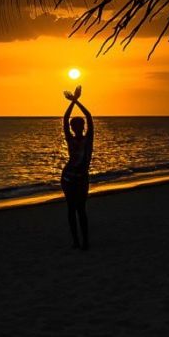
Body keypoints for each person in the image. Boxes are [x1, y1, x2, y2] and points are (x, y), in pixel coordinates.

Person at [60, 86, 94, 250]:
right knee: (71, 209)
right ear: (73, 128)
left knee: (81, 209)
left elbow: (89, 117)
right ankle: (75, 241)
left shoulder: (88, 139)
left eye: (80, 125)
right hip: (68, 177)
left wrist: (76, 100)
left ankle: (85, 241)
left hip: (82, 178)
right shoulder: (70, 138)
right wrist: (72, 103)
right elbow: (65, 119)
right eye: (76, 126)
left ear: (83, 126)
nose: (78, 128)